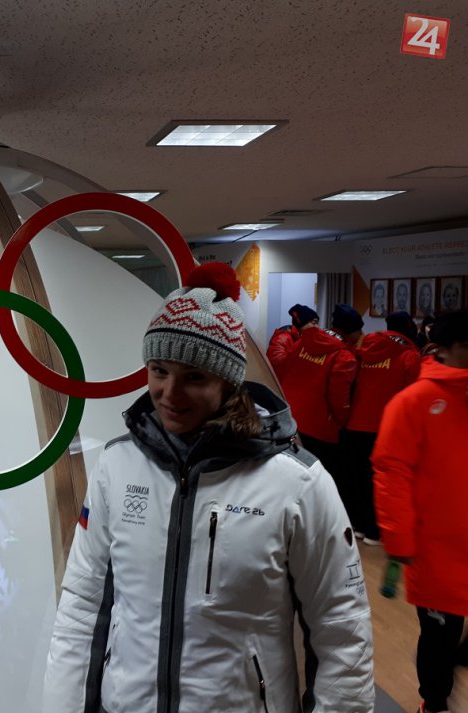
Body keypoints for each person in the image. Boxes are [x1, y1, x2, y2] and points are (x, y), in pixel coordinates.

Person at [43, 263, 374, 713]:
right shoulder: (116, 466)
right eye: (159, 370)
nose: (169, 393)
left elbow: (342, 629)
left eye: (194, 377)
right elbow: (83, 605)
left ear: (228, 381)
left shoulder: (297, 484)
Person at [372, 309, 468, 713]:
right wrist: (399, 540)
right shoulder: (413, 402)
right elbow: (391, 471)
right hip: (436, 548)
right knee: (440, 635)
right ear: (448, 348)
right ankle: (434, 702)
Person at [342, 312, 420, 546]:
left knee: (357, 477)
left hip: (355, 422)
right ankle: (375, 532)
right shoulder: (410, 355)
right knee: (379, 481)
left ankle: (358, 525)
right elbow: (411, 396)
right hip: (384, 426)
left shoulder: (365, 347)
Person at [279, 304, 362, 511]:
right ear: (351, 331)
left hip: (289, 420)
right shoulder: (345, 357)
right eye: (359, 330)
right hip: (319, 430)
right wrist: (342, 422)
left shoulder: (304, 340)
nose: (361, 334)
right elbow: (338, 397)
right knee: (319, 485)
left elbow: (286, 369)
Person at [266, 303, 318, 378]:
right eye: (314, 323)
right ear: (302, 323)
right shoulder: (282, 338)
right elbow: (276, 365)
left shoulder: (300, 338)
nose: (317, 327)